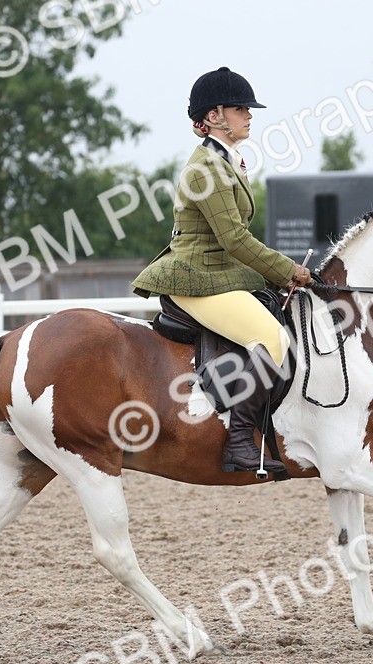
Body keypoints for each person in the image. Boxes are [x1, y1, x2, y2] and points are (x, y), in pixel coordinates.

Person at [133, 67, 313, 474]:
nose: (249, 115)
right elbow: (234, 239)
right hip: (198, 279)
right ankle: (238, 440)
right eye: (239, 108)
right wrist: (288, 271)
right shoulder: (205, 170)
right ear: (214, 116)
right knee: (272, 340)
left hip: (220, 273)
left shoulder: (229, 161)